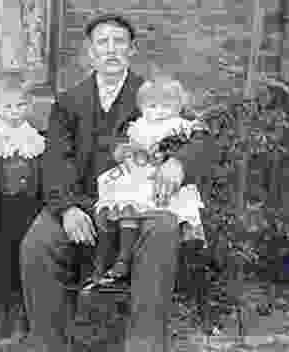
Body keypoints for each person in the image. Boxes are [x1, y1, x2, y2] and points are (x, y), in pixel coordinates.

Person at [19, 14, 218, 352]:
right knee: (38, 243)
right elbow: (55, 161)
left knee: (162, 229)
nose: (111, 50)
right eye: (102, 43)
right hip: (82, 203)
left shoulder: (152, 95)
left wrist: (180, 162)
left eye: (119, 42)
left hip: (139, 202)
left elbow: (200, 135)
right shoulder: (69, 101)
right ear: (90, 52)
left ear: (131, 50)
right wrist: (65, 210)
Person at [83, 76, 207, 288]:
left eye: (166, 106)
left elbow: (200, 138)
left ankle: (131, 260)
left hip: (160, 177)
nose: (158, 111)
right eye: (152, 106)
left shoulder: (179, 125)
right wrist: (124, 151)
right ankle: (119, 257)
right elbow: (123, 146)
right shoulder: (139, 125)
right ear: (142, 107)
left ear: (178, 106)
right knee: (121, 199)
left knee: (150, 206)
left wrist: (173, 158)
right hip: (136, 173)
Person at [0, 70, 46, 346]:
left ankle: (19, 319)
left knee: (21, 265)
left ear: (29, 106)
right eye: (7, 106)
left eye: (20, 106)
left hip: (25, 212)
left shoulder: (35, 140)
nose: (14, 112)